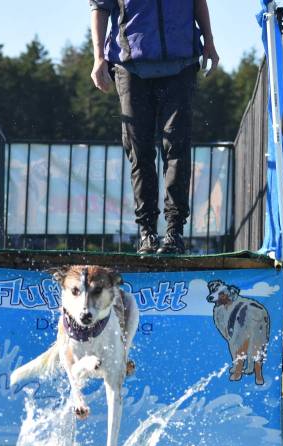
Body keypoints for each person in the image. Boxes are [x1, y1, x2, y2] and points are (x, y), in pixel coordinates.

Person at [89, 0, 219, 255]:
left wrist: (210, 42)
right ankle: (147, 232)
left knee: (177, 148)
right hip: (130, 66)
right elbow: (99, 7)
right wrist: (98, 57)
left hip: (180, 64)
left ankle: (174, 231)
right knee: (140, 152)